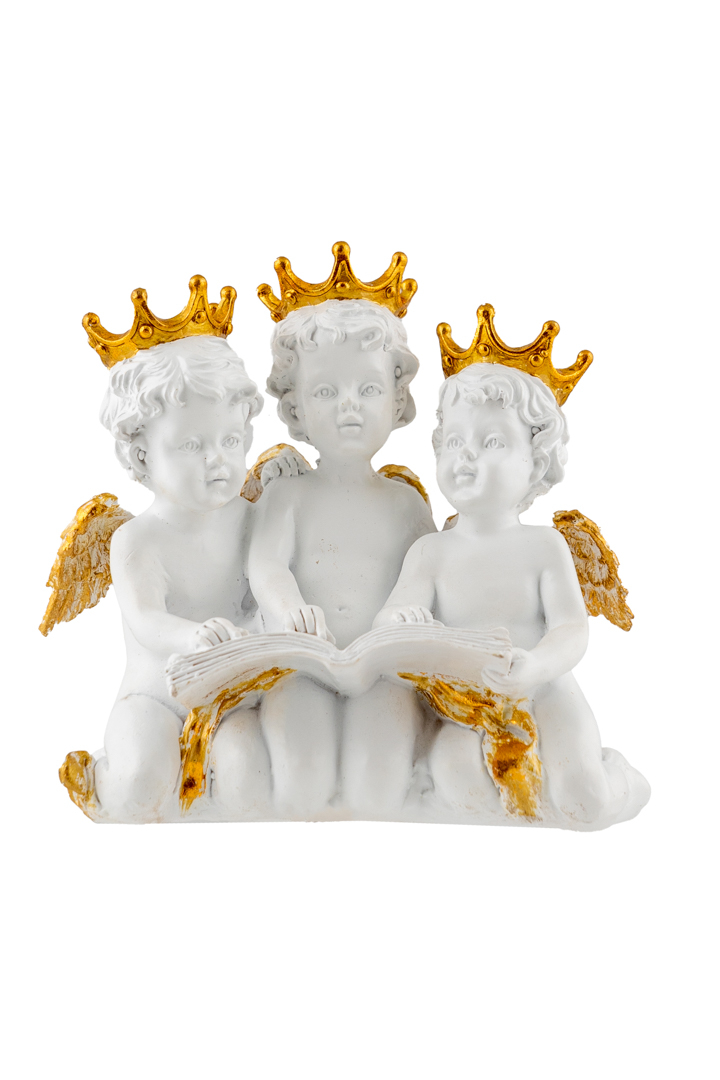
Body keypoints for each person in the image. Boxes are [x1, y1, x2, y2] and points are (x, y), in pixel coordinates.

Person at [374, 363, 650, 827]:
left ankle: (621, 779)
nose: (466, 455)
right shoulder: (430, 551)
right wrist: (399, 621)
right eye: (454, 442)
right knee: (461, 785)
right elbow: (390, 617)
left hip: (545, 690)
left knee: (585, 800)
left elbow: (571, 628)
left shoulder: (544, 545)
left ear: (536, 463)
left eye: (492, 442)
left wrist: (537, 666)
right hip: (463, 703)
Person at [249, 299, 435, 817]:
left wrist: (411, 612)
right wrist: (289, 610)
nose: (348, 406)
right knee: (301, 781)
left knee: (378, 787)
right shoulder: (287, 496)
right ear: (295, 409)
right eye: (326, 391)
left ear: (397, 402)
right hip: (303, 661)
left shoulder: (406, 503)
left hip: (382, 669)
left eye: (368, 389)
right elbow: (265, 565)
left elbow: (429, 571)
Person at [89, 334, 268, 822]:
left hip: (236, 696)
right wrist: (193, 636)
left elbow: (269, 594)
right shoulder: (136, 539)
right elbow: (147, 619)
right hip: (154, 696)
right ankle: (96, 776)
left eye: (230, 441)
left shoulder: (255, 520)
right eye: (192, 445)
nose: (217, 459)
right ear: (141, 456)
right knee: (139, 785)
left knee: (249, 777)